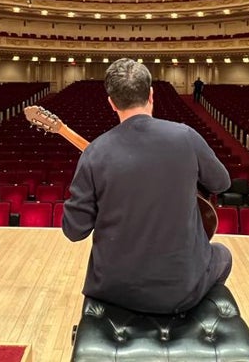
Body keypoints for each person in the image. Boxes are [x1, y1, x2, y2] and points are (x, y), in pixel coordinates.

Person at [62, 58, 232, 314]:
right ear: (152, 95)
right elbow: (221, 182)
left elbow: (74, 231)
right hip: (180, 290)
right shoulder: (185, 136)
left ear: (111, 103)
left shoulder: (94, 152)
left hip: (111, 289)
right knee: (223, 254)